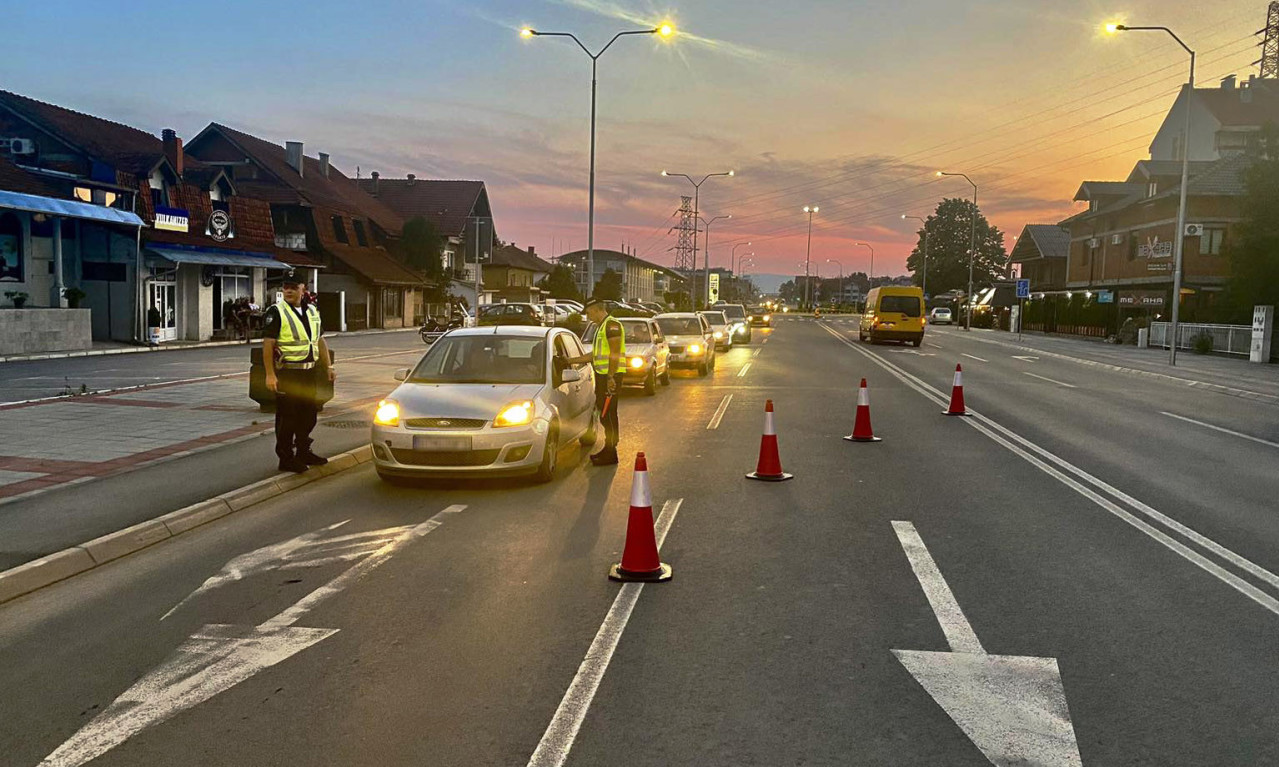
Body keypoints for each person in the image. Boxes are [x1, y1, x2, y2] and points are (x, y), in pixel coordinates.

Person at [261, 273, 335, 473]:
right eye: (286, 287)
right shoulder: (276, 312)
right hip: (288, 374)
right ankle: (286, 458)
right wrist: (270, 374)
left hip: (308, 373)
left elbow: (319, 340)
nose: (289, 291)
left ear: (303, 289)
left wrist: (328, 366)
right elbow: (268, 345)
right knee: (288, 418)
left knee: (309, 415)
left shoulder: (312, 311)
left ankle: (303, 450)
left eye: (293, 287)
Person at [567, 299, 625, 465]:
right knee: (604, 412)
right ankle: (608, 449)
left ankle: (611, 451)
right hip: (603, 375)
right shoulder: (601, 327)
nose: (588, 316)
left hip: (611, 376)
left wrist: (611, 377)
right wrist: (570, 360)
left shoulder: (611, 326)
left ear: (597, 309)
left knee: (608, 413)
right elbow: (595, 355)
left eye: (589, 312)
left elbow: (614, 354)